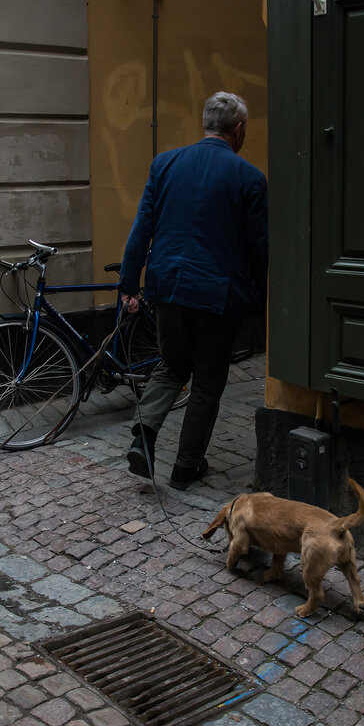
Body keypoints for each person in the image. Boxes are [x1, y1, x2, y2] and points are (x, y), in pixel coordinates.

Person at [118, 91, 268, 490]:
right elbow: (259, 248)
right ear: (238, 129)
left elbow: (140, 232)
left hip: (166, 287)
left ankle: (144, 438)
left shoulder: (165, 164)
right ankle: (186, 467)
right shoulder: (249, 178)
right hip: (217, 296)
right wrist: (261, 302)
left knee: (171, 366)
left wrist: (129, 284)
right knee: (207, 380)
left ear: (206, 123)